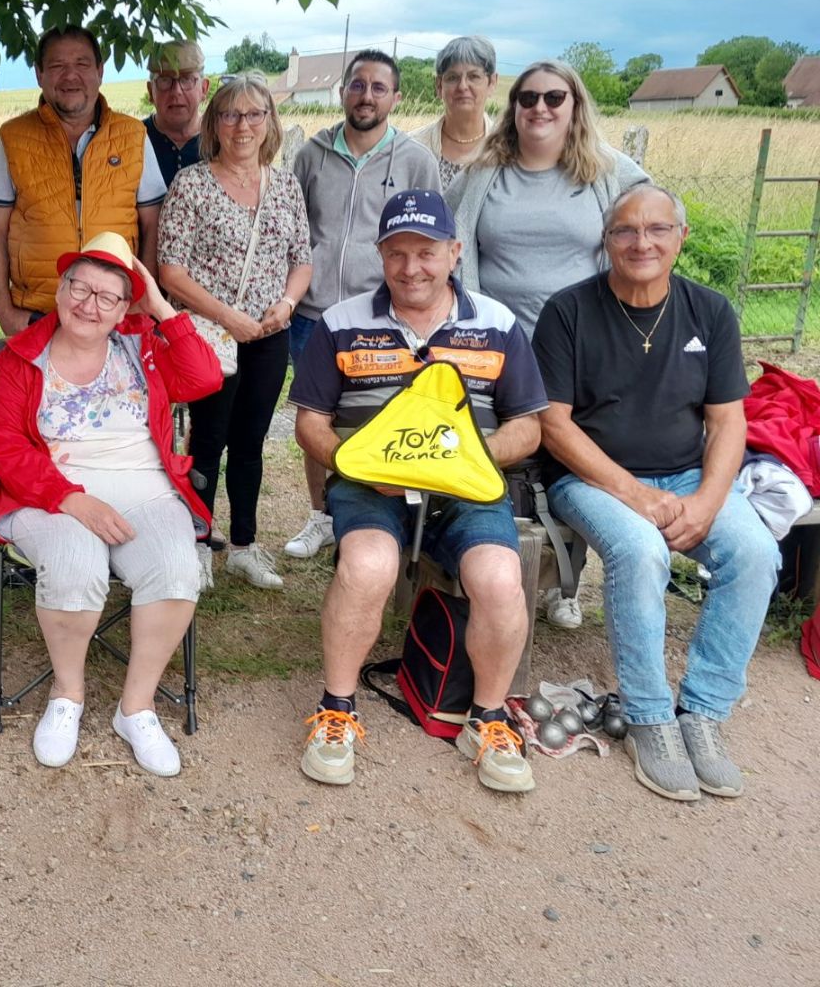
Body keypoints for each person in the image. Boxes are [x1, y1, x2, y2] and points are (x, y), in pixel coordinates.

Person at [290, 190, 546, 795]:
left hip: (467, 489)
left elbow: (528, 426)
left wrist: (467, 461)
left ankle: (486, 719)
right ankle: (338, 709)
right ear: (380, 255)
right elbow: (309, 423)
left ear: (454, 252)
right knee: (368, 566)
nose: (412, 268)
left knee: (500, 578)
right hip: (370, 486)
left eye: (427, 252)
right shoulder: (340, 322)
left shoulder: (498, 325)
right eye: (397, 253)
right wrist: (353, 462)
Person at [531, 185, 778, 802]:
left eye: (658, 229)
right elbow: (553, 424)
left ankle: (703, 713)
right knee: (642, 551)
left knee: (754, 554)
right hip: (590, 479)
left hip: (688, 476)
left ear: (680, 237)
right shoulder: (568, 312)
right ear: (606, 240)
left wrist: (708, 502)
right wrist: (635, 494)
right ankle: (647, 717)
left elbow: (726, 421)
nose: (642, 242)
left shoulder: (711, 311)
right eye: (626, 231)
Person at [0, 232, 222, 776]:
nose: (88, 305)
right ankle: (67, 695)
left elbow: (205, 378)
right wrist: (70, 499)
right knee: (73, 563)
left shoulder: (141, 345)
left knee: (177, 569)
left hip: (146, 488)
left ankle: (135, 708)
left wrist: (160, 306)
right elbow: (3, 443)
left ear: (123, 309)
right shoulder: (23, 357)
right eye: (79, 289)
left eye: (107, 297)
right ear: (60, 290)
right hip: (48, 492)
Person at [446, 59, 649, 628]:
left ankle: (567, 581)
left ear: (574, 105)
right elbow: (458, 246)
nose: (540, 108)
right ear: (512, 107)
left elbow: (648, 229)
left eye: (553, 98)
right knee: (509, 456)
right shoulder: (486, 172)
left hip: (580, 345)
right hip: (500, 343)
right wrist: (475, 329)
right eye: (527, 97)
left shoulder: (610, 173)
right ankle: (495, 570)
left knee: (573, 456)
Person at [158, 74, 313, 589]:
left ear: (269, 122)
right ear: (214, 123)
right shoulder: (193, 184)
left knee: (251, 442)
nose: (242, 125)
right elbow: (171, 270)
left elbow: (302, 261)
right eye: (230, 114)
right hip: (210, 335)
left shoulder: (285, 185)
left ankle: (244, 544)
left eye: (254, 114)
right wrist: (228, 315)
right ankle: (198, 543)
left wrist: (287, 303)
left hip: (269, 334)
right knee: (208, 440)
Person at [287, 50, 441, 562]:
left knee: (381, 413)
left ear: (395, 97)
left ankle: (381, 516)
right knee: (318, 416)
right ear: (342, 91)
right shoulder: (311, 153)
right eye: (358, 85)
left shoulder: (416, 159)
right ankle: (320, 516)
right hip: (313, 314)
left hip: (383, 314)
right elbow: (293, 229)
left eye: (379, 87)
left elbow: (433, 239)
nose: (367, 95)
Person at [0, 25, 167, 335]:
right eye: (57, 66)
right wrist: (8, 316)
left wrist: (138, 305)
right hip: (37, 318)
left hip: (116, 316)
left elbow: (153, 225)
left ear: (100, 71)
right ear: (39, 74)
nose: (70, 76)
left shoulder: (133, 135)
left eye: (81, 64)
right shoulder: (12, 138)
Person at [409, 36, 500, 192]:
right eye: (453, 78)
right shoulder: (412, 148)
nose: (463, 86)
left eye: (474, 76)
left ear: (492, 83)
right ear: (439, 85)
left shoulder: (506, 149)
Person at [144, 40, 210, 187]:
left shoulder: (221, 139)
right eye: (165, 80)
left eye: (186, 79)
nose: (176, 91)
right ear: (150, 91)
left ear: (204, 89)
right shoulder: (134, 141)